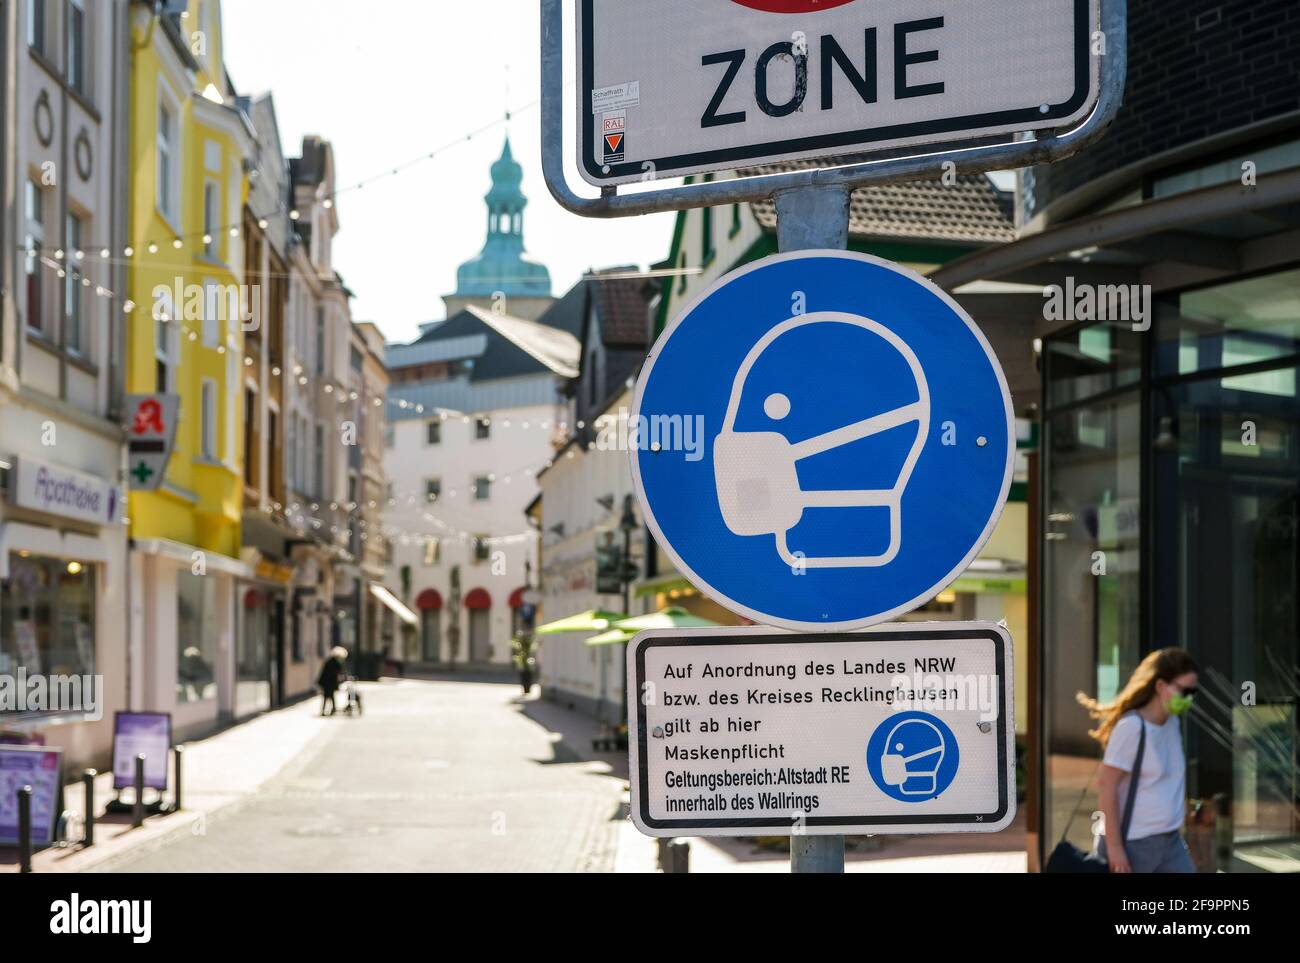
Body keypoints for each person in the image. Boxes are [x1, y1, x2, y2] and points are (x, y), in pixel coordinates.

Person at [1076, 647, 1199, 873]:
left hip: (1170, 841)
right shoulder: (1132, 727)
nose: (1189, 699)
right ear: (1160, 686)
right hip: (1134, 843)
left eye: (1194, 692)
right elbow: (1106, 787)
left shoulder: (1172, 723)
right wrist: (1115, 848)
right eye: (1184, 691)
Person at [317, 646, 347, 716]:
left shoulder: (331, 661)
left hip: (327, 682)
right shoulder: (333, 663)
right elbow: (337, 672)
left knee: (328, 697)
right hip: (328, 682)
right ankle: (330, 710)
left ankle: (329, 710)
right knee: (328, 696)